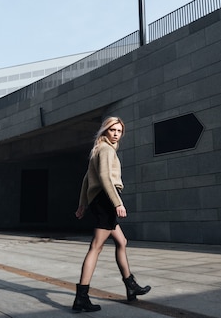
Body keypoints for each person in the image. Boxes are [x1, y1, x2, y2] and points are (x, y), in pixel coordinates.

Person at [72, 116, 151, 312]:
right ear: (105, 131)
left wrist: (83, 204)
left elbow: (85, 180)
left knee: (121, 242)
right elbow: (105, 177)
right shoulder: (106, 150)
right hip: (106, 198)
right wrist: (117, 202)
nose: (116, 134)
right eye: (112, 130)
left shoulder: (97, 150)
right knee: (96, 247)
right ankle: (81, 297)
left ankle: (130, 286)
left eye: (119, 131)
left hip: (100, 199)